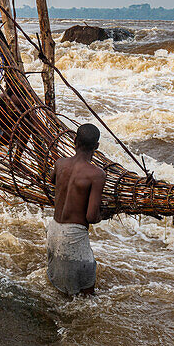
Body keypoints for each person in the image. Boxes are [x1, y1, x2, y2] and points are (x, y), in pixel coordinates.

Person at [46, 123, 106, 296]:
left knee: (59, 289)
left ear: (75, 141)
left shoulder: (60, 163)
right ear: (96, 147)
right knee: (86, 296)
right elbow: (91, 216)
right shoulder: (97, 175)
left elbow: (52, 180)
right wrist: (104, 214)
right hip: (74, 237)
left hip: (54, 230)